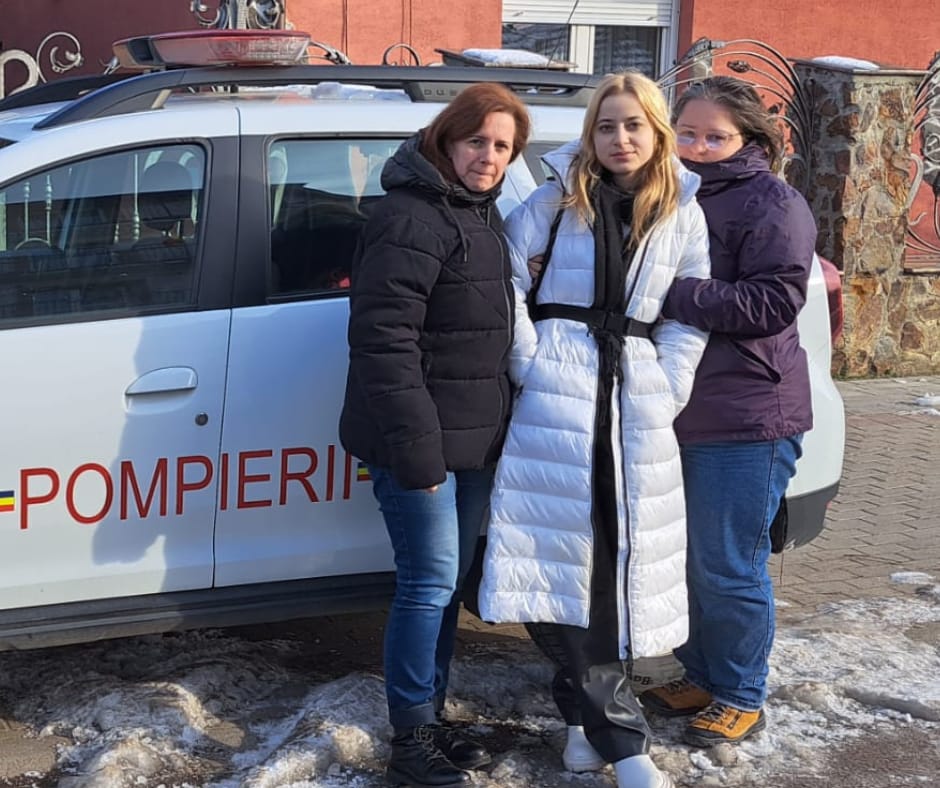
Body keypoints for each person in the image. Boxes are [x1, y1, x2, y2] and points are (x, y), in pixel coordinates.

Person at [477, 72, 711, 788]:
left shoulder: (682, 211)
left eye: (634, 125)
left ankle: (582, 725)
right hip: (560, 397)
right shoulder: (554, 200)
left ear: (657, 132)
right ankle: (625, 744)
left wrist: (669, 384)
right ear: (591, 134)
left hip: (636, 402)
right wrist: (531, 361)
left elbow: (689, 311)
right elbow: (505, 282)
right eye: (607, 126)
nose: (620, 138)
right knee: (562, 564)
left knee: (618, 571)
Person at [339, 83, 531, 788]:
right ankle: (411, 739)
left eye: (502, 147)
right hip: (418, 444)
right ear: (445, 141)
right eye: (477, 141)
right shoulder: (409, 217)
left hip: (470, 440)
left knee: (445, 587)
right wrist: (417, 452)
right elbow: (384, 342)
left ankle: (431, 716)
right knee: (427, 584)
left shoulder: (479, 215)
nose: (489, 157)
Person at [638, 76, 817, 748]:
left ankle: (742, 693)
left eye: (715, 137)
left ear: (748, 139)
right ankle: (703, 674)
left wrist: (672, 294)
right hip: (677, 409)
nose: (697, 147)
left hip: (746, 414)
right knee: (687, 559)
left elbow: (773, 303)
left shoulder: (774, 202)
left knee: (728, 565)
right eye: (686, 133)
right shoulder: (664, 192)